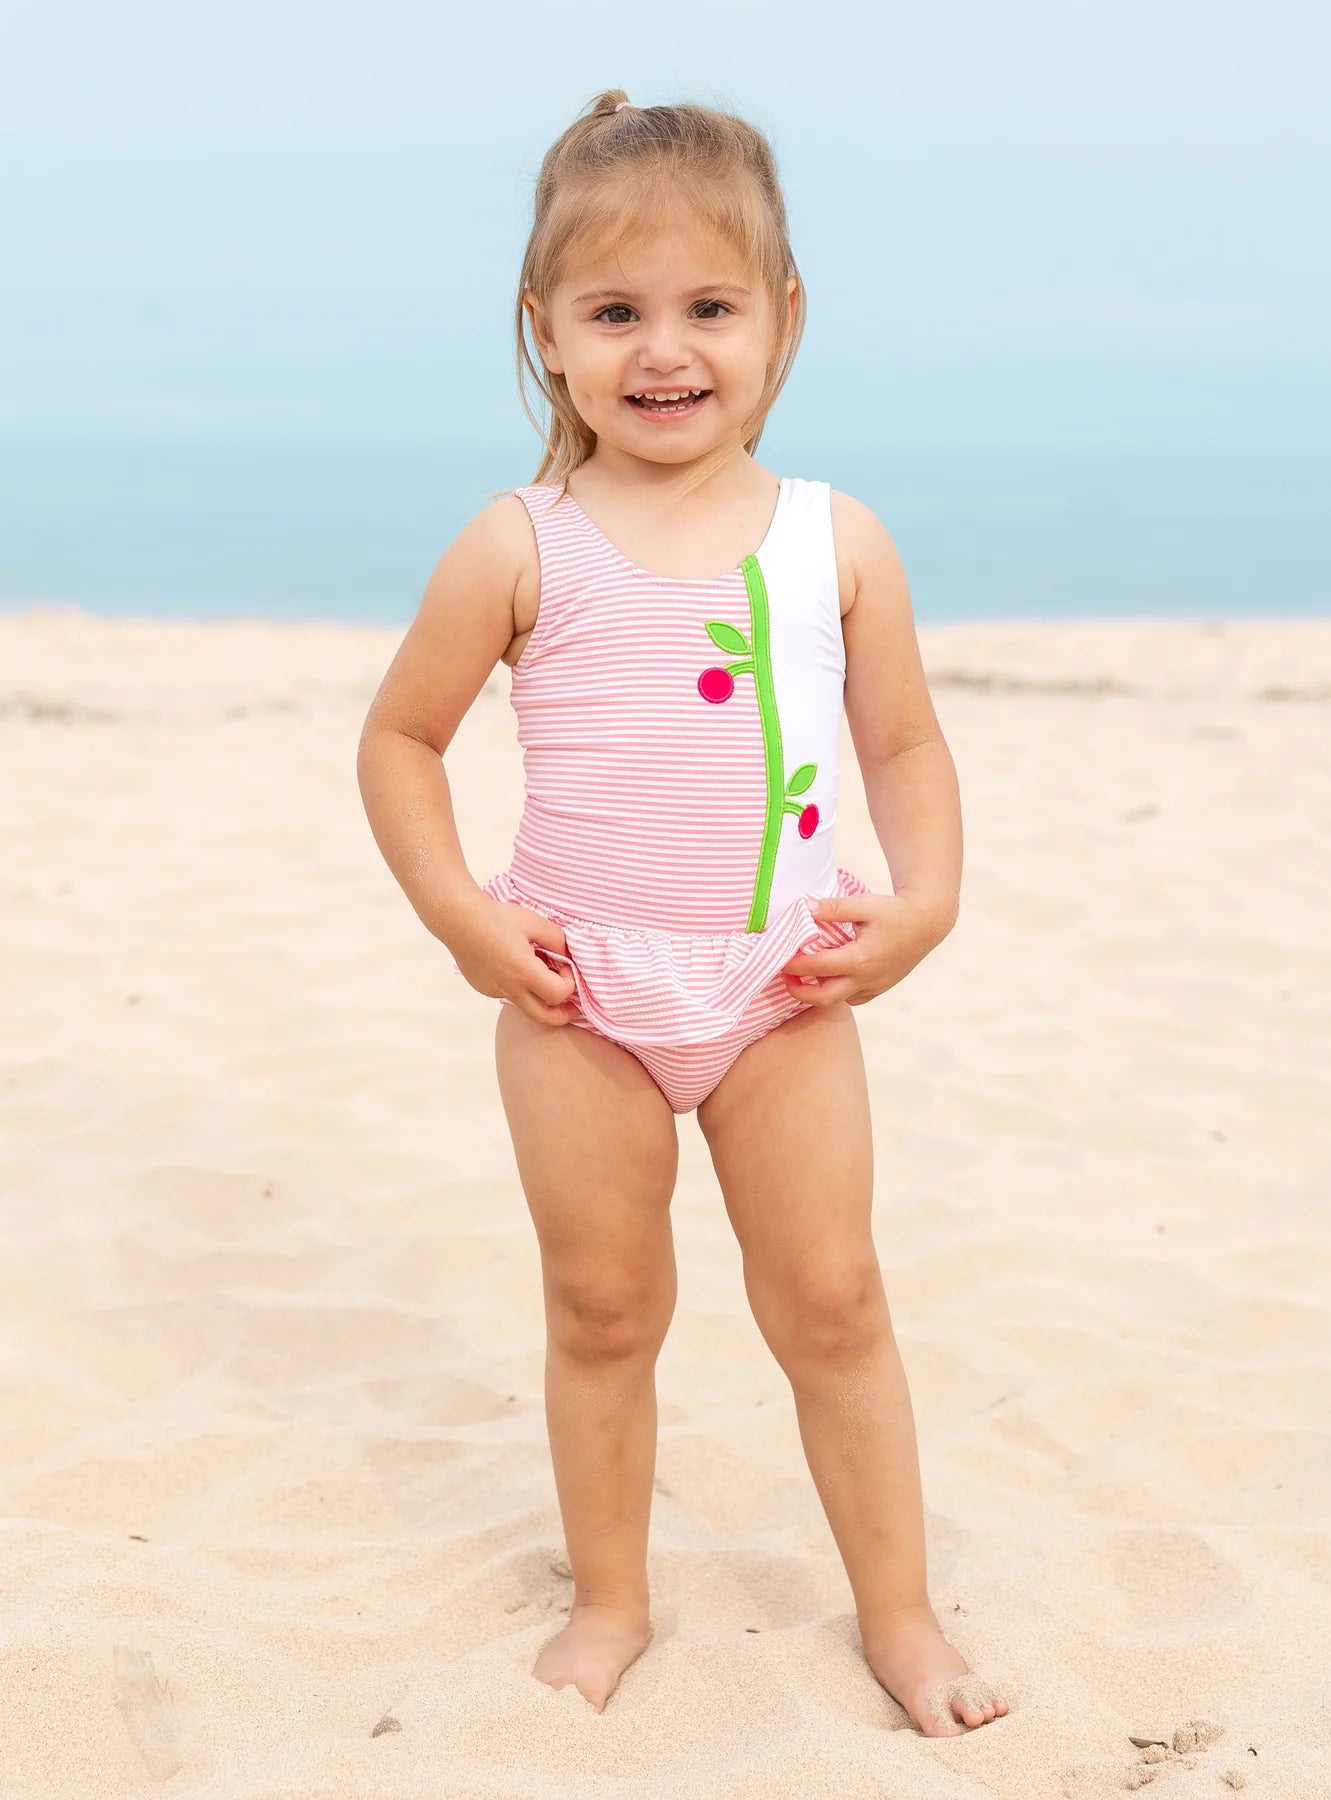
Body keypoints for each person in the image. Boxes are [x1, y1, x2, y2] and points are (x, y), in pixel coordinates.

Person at [356, 88, 1008, 1739]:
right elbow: (400, 741)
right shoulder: (521, 546)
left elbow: (906, 744)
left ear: (785, 319)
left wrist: (924, 903)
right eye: (617, 311)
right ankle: (612, 1601)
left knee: (836, 1302)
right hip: (578, 993)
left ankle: (905, 1618)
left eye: (711, 306)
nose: (668, 349)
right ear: (546, 331)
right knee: (601, 1309)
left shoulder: (830, 541)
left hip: (785, 988)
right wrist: (461, 918)